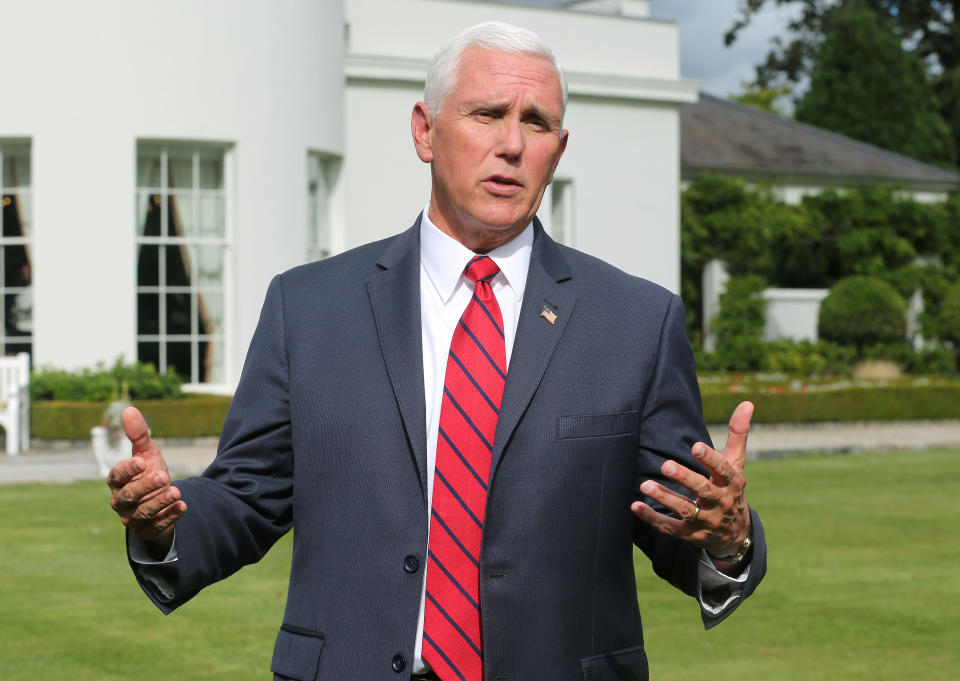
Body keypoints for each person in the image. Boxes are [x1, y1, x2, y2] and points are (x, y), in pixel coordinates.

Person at [108, 21, 766, 681]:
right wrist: (167, 522)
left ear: (558, 150)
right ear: (425, 130)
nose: (511, 144)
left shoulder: (637, 321)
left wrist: (729, 539)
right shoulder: (307, 309)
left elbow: (683, 521)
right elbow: (247, 498)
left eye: (536, 123)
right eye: (487, 114)